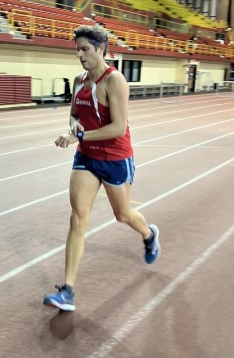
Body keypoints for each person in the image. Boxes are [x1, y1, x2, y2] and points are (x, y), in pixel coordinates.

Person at [43, 24, 160, 312]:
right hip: (86, 158)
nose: (80, 55)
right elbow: (73, 115)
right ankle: (67, 290)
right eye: (77, 50)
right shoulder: (79, 80)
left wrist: (79, 135)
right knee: (77, 218)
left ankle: (149, 235)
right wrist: (74, 128)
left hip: (115, 158)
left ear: (101, 49)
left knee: (122, 215)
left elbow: (118, 128)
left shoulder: (115, 81)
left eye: (85, 49)